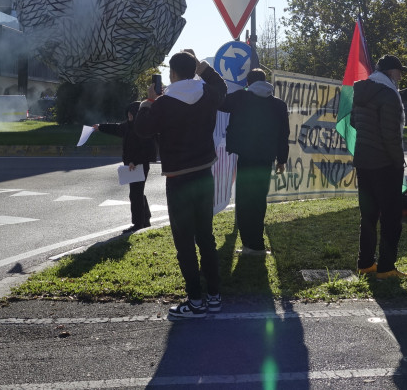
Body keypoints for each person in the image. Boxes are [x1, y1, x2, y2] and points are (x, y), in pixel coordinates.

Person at [134, 50, 227, 319]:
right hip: (203, 174)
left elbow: (142, 130)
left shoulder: (163, 103)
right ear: (193, 69)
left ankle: (195, 301)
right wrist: (203, 69)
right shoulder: (208, 93)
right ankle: (214, 296)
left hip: (178, 179)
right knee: (206, 238)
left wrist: (147, 102)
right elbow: (221, 86)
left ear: (172, 74)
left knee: (184, 242)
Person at [350, 54, 407, 279]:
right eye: (399, 71)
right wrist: (398, 162)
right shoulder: (388, 94)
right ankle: (386, 267)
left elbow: (354, 122)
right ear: (390, 73)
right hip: (385, 163)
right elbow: (390, 135)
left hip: (364, 160)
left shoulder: (361, 92)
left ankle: (365, 263)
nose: (401, 76)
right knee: (391, 217)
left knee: (368, 216)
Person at [219, 68, 289, 255]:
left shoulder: (240, 97)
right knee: (259, 201)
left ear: (248, 83)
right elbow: (284, 135)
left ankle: (248, 244)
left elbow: (220, 104)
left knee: (244, 200)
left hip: (245, 157)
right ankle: (257, 244)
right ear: (265, 82)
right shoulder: (279, 105)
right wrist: (282, 160)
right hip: (266, 159)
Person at [93, 101, 158, 235]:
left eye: (131, 113)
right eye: (128, 112)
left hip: (139, 166)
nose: (128, 115)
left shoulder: (142, 128)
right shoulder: (127, 126)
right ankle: (145, 219)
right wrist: (100, 127)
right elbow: (115, 128)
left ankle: (138, 224)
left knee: (135, 194)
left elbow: (149, 151)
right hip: (131, 166)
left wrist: (136, 161)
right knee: (137, 193)